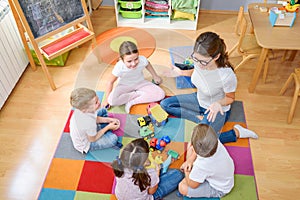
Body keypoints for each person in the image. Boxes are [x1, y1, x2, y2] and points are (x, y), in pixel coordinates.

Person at [161, 31, 258, 144]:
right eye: (196, 59)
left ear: (216, 56)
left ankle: (237, 132)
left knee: (201, 142)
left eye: (203, 61)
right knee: (165, 104)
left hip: (216, 109)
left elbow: (230, 98)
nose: (199, 64)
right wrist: (180, 73)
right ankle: (199, 119)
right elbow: (195, 72)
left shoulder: (226, 75)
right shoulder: (199, 62)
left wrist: (218, 104)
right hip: (199, 99)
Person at [102, 41, 165, 113]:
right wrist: (106, 99)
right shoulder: (119, 67)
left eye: (136, 59)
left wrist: (155, 76)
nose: (133, 63)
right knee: (112, 101)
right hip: (124, 85)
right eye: (129, 61)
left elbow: (148, 64)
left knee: (161, 94)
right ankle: (137, 94)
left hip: (140, 83)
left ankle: (131, 102)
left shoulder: (142, 60)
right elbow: (110, 82)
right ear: (122, 59)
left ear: (138, 55)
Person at [111, 138, 184, 200]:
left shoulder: (119, 165)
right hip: (145, 197)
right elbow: (151, 192)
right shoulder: (150, 174)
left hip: (120, 197)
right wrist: (157, 173)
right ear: (143, 161)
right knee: (178, 174)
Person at [179, 124, 234, 198]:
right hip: (222, 177)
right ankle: (195, 173)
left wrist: (186, 170)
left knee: (182, 187)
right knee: (190, 147)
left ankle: (192, 172)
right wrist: (190, 159)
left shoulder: (202, 165)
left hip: (220, 189)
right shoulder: (215, 141)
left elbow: (193, 185)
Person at [69, 87, 122, 154]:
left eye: (97, 99)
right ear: (85, 109)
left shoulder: (83, 110)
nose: (99, 102)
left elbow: (95, 118)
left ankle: (102, 128)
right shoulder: (87, 122)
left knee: (102, 110)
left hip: (90, 130)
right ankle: (104, 129)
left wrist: (109, 120)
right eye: (96, 102)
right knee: (113, 139)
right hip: (88, 143)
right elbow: (93, 139)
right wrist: (108, 127)